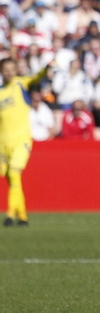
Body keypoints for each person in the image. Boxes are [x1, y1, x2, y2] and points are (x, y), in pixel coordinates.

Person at [1, 56, 50, 225]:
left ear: (15, 70)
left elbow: (38, 76)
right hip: (3, 143)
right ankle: (22, 216)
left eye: (11, 69)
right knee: (11, 178)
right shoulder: (0, 92)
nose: (8, 72)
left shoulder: (21, 84)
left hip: (21, 140)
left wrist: (47, 67)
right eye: (5, 69)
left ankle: (9, 215)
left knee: (14, 173)